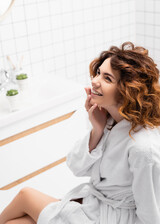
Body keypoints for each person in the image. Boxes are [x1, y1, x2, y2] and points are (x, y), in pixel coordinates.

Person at [0, 41, 160, 224]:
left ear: (127, 91)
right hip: (96, 207)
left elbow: (151, 215)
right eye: (98, 72)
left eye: (107, 78)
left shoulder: (143, 148)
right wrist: (96, 131)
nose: (94, 81)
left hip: (114, 219)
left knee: (25, 195)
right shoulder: (107, 121)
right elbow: (75, 166)